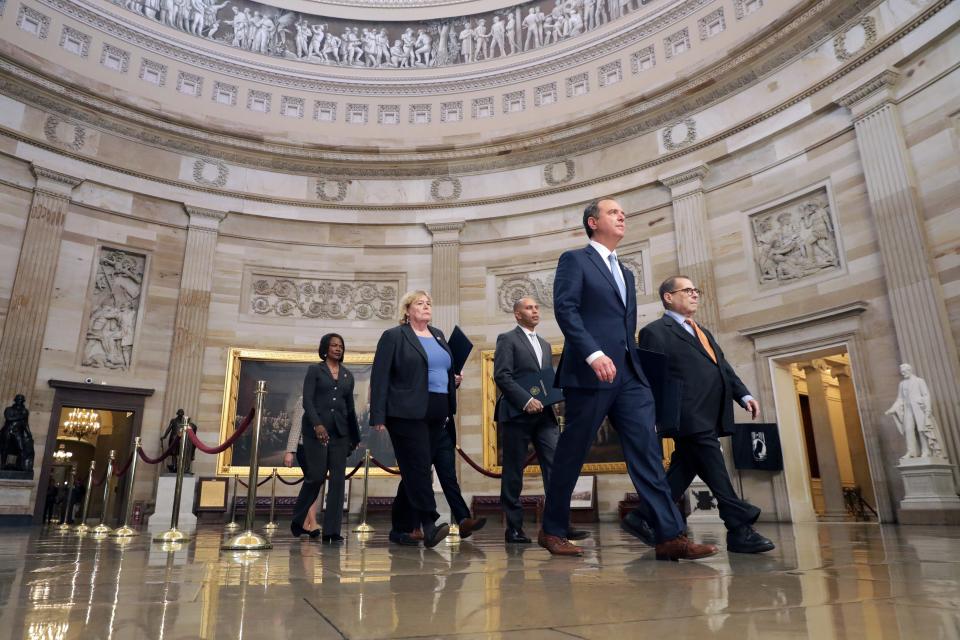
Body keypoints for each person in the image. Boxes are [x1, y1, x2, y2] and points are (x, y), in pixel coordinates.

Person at [538, 198, 718, 560]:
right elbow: (566, 309)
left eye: (624, 211)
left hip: (629, 373)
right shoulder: (575, 260)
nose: (622, 215)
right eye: (613, 212)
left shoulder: (627, 272)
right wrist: (592, 353)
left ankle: (669, 535)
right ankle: (553, 529)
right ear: (592, 222)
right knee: (572, 453)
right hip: (591, 371)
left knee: (648, 452)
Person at [625, 276, 775, 554]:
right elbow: (651, 378)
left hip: (710, 411)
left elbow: (723, 367)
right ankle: (739, 527)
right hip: (686, 413)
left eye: (696, 290)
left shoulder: (703, 331)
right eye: (688, 290)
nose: (695, 295)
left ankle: (643, 516)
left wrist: (743, 395)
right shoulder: (655, 331)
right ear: (668, 297)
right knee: (714, 465)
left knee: (686, 467)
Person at [370, 290, 483, 548]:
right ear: (407, 310)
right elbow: (380, 376)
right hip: (407, 414)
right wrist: (378, 414)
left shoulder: (439, 335)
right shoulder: (394, 336)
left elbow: (441, 370)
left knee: (423, 469)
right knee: (420, 469)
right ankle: (430, 524)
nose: (426, 306)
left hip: (440, 413)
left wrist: (454, 380)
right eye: (420, 303)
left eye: (429, 303)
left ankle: (404, 528)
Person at [494, 297, 574, 544]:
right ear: (518, 314)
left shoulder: (545, 344)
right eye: (529, 308)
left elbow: (544, 381)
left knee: (556, 468)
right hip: (517, 414)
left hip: (545, 415)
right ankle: (514, 528)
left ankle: (558, 525)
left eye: (537, 307)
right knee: (513, 472)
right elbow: (502, 375)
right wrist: (526, 400)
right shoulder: (507, 339)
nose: (535, 311)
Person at [288, 334, 360, 543]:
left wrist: (353, 437)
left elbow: (350, 408)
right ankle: (298, 518)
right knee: (316, 476)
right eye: (334, 345)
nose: (338, 349)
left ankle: (332, 532)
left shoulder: (348, 376)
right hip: (315, 433)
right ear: (325, 349)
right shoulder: (315, 371)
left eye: (341, 346)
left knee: (338, 481)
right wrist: (317, 424)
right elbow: (308, 401)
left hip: (340, 433)